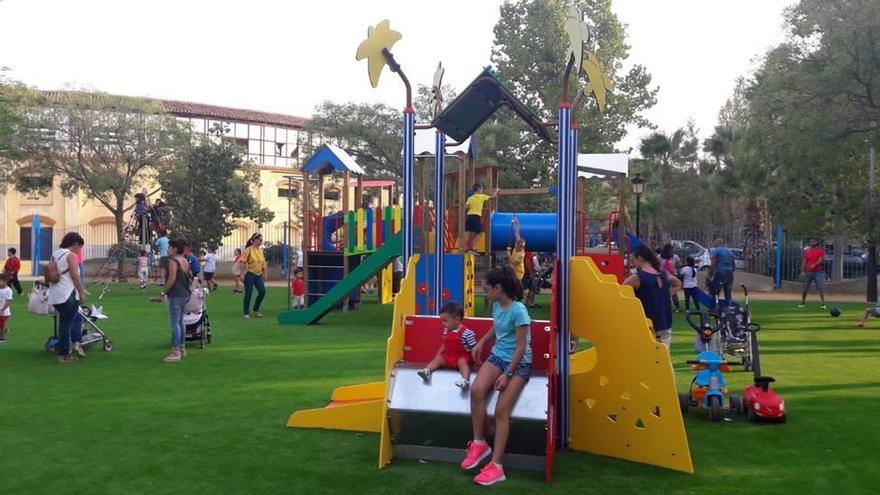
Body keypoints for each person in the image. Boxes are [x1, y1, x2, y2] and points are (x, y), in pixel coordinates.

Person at [461, 266, 531, 486]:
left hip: (518, 363)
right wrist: (482, 342)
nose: (484, 291)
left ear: (498, 288)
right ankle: (479, 443)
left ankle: (497, 465)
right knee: (476, 390)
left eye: (487, 288)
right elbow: (497, 328)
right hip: (498, 355)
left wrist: (507, 374)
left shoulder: (519, 310)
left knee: (501, 411)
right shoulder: (498, 306)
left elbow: (521, 347)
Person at [623, 245, 681, 348]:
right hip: (665, 323)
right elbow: (678, 283)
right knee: (663, 360)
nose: (633, 264)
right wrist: (666, 295)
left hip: (647, 325)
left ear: (640, 259)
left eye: (634, 260)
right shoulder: (663, 274)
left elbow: (620, 293)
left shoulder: (637, 278)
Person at [47, 232, 88, 364]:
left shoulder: (55, 254)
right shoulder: (71, 256)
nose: (79, 250)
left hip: (55, 293)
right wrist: (81, 291)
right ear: (75, 244)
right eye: (79, 247)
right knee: (65, 324)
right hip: (68, 293)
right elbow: (75, 276)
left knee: (75, 317)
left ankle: (76, 342)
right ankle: (64, 354)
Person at [417, 302, 477, 390]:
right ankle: (427, 371)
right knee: (439, 359)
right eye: (442, 320)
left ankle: (464, 380)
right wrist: (439, 353)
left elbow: (474, 348)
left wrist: (476, 361)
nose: (442, 323)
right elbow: (445, 343)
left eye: (445, 321)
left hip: (462, 356)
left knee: (462, 362)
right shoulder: (446, 330)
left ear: (456, 320)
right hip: (449, 356)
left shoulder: (466, 333)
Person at [158, 238, 192, 363]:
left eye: (169, 247)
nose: (167, 250)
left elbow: (171, 279)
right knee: (180, 321)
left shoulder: (173, 261)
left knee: (175, 323)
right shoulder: (184, 260)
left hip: (176, 294)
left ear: (175, 249)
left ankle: (175, 351)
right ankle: (182, 348)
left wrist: (162, 293)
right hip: (185, 294)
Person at [463, 183, 499, 254]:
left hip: (469, 216)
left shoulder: (470, 198)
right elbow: (493, 197)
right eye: (482, 189)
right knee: (479, 233)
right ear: (479, 189)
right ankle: (472, 247)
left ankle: (465, 248)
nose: (482, 191)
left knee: (468, 232)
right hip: (476, 216)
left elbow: (466, 207)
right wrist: (496, 191)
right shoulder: (481, 196)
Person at [242, 233, 267, 319]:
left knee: (262, 291)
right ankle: (246, 312)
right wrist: (242, 274)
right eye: (260, 240)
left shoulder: (260, 250)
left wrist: (265, 273)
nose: (261, 241)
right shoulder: (248, 250)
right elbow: (243, 262)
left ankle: (255, 309)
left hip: (258, 274)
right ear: (255, 240)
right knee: (249, 293)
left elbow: (263, 263)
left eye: (261, 240)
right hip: (249, 274)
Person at [799, 238, 826, 310]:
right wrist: (802, 271)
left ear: (816, 242)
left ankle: (823, 303)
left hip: (817, 272)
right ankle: (802, 302)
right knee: (805, 288)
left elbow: (820, 260)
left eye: (813, 241)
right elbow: (804, 261)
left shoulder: (820, 251)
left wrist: (814, 264)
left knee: (820, 288)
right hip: (808, 272)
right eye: (811, 241)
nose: (812, 243)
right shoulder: (807, 251)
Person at [707, 238, 735, 305]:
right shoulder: (729, 251)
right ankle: (729, 308)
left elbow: (713, 263)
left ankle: (714, 308)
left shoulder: (716, 251)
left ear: (717, 243)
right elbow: (733, 264)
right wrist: (731, 271)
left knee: (715, 292)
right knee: (728, 293)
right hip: (729, 273)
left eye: (714, 243)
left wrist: (710, 273)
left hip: (720, 273)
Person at [660, 244, 682, 312]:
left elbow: (679, 265)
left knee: (673, 292)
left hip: (673, 276)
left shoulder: (675, 257)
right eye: (672, 249)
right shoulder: (660, 257)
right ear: (668, 250)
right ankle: (663, 306)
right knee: (662, 291)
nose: (673, 250)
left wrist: (677, 269)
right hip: (663, 276)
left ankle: (677, 307)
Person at [0, 275, 12, 343]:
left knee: (2, 325)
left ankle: (3, 337)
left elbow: (8, 301)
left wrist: (2, 309)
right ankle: (5, 330)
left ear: (5, 281)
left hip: (4, 312)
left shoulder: (8, 290)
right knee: (1, 325)